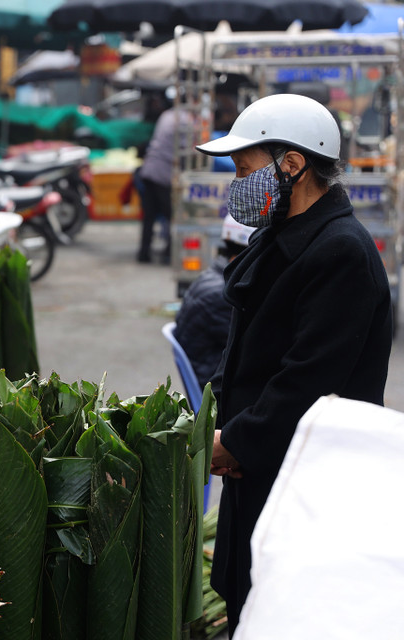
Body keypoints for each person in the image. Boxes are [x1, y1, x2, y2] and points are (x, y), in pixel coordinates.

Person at [195, 93, 393, 637]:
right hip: (259, 468)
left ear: (293, 164)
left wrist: (236, 442)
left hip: (303, 480)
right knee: (245, 598)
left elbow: (308, 381)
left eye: (245, 170)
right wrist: (217, 422)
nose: (238, 184)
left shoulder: (341, 252)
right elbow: (242, 349)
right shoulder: (279, 234)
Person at [173, 216, 255, 390]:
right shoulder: (223, 295)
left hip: (210, 376)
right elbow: (252, 348)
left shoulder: (215, 275)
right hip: (217, 389)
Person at [136, 98, 190, 263]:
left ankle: (144, 254)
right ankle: (168, 253)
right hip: (162, 173)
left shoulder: (167, 115)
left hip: (149, 169)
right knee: (172, 215)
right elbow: (187, 151)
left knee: (149, 216)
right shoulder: (185, 120)